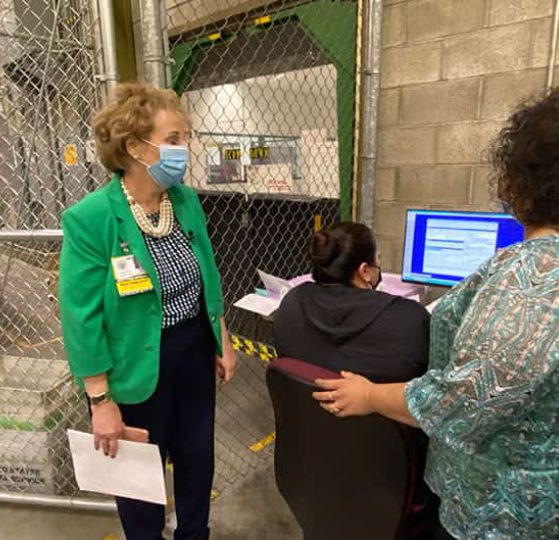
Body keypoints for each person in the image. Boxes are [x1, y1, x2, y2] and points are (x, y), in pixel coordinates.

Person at [313, 84, 559, 540]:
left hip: (507, 514)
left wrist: (370, 397)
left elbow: (465, 400)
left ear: (525, 177)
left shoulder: (542, 273)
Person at [59, 83, 237, 540]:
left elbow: (208, 277)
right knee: (140, 477)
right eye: (174, 139)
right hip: (134, 363)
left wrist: (222, 339)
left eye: (186, 137)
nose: (185, 149)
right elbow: (81, 316)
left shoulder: (186, 202)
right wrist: (100, 401)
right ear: (135, 147)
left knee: (198, 459)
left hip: (193, 350)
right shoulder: (93, 217)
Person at [273, 222, 429, 383]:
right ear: (364, 271)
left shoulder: (292, 303)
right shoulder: (410, 319)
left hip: (303, 407)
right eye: (378, 258)